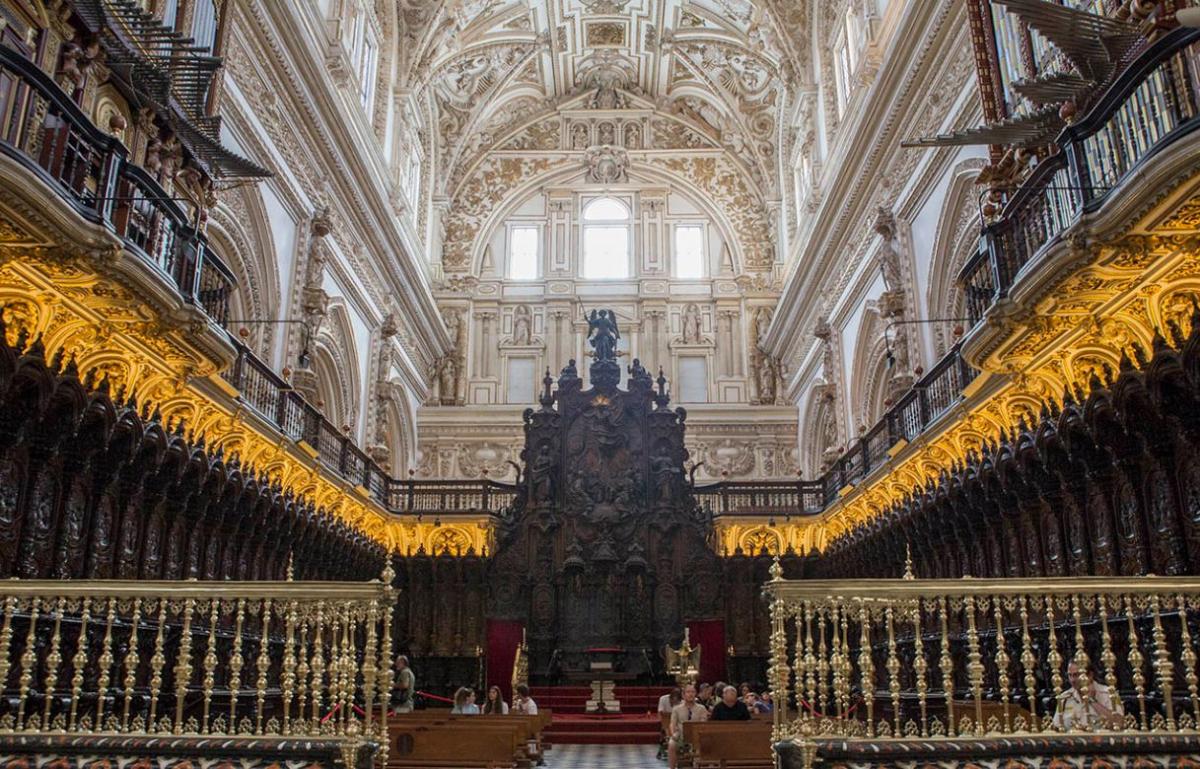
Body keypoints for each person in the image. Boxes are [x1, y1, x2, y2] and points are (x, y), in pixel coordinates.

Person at [1052, 661, 1124, 731]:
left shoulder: (1109, 694)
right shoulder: (1064, 697)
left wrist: (1092, 700)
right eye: (1070, 675)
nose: (1072, 680)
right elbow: (1056, 727)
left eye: (1076, 675)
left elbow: (1119, 723)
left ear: (1090, 675)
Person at [668, 684, 708, 769]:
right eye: (688, 692)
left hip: (697, 736)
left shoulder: (702, 708)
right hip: (681, 735)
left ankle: (697, 765)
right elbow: (672, 723)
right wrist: (673, 734)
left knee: (702, 744)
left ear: (696, 694)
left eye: (693, 692)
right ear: (683, 695)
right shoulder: (676, 709)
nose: (691, 694)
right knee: (671, 744)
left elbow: (703, 723)